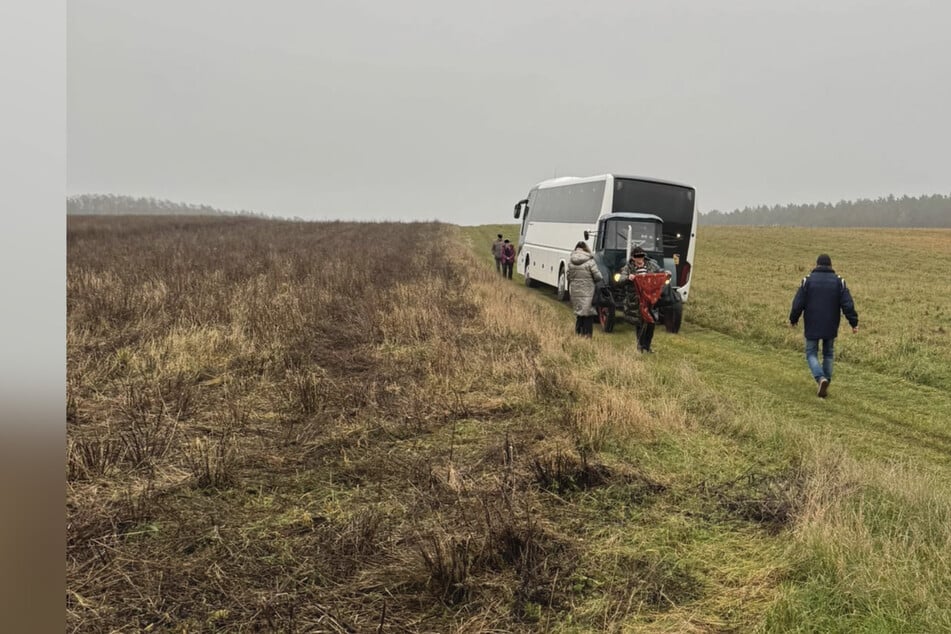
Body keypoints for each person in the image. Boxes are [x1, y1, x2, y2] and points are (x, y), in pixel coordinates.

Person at [789, 253, 859, 398]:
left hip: (812, 323)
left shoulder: (807, 280)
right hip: (831, 324)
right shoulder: (839, 281)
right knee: (828, 353)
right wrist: (854, 323)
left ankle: (821, 379)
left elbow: (798, 303)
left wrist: (793, 319)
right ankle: (826, 381)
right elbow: (847, 304)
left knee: (811, 353)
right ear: (831, 265)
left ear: (816, 265)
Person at [619, 246, 662, 353]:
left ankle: (647, 346)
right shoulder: (628, 267)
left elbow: (660, 271)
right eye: (637, 256)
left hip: (650, 298)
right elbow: (620, 279)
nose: (640, 258)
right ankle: (640, 346)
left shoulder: (651, 265)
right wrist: (628, 277)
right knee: (640, 323)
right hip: (636, 299)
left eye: (641, 256)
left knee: (651, 322)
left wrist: (666, 273)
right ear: (633, 258)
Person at [566, 241, 603, 337]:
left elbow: (569, 276)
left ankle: (578, 335)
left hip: (575, 291)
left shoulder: (571, 261)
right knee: (588, 314)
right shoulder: (590, 261)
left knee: (579, 314)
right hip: (588, 292)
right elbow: (598, 276)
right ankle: (587, 336)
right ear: (586, 249)